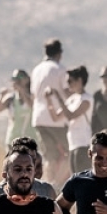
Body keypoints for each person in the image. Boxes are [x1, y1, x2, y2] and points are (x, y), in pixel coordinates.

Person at [31, 38, 70, 181]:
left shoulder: (36, 70)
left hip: (39, 118)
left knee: (49, 156)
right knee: (69, 152)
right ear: (59, 53)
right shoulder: (59, 69)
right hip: (56, 119)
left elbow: (34, 94)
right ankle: (58, 183)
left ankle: (49, 183)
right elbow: (67, 92)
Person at [45, 66, 94, 175]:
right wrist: (49, 100)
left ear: (80, 80)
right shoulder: (72, 99)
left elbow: (71, 115)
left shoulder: (87, 99)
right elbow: (56, 118)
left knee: (82, 178)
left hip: (83, 144)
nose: (68, 84)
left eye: (70, 81)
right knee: (74, 177)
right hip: (72, 144)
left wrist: (58, 97)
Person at [0, 69, 37, 148]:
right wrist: (1, 96)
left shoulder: (33, 96)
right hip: (13, 140)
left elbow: (32, 106)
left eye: (19, 79)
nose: (16, 82)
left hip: (29, 141)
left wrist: (22, 91)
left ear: (27, 80)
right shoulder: (11, 98)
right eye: (14, 79)